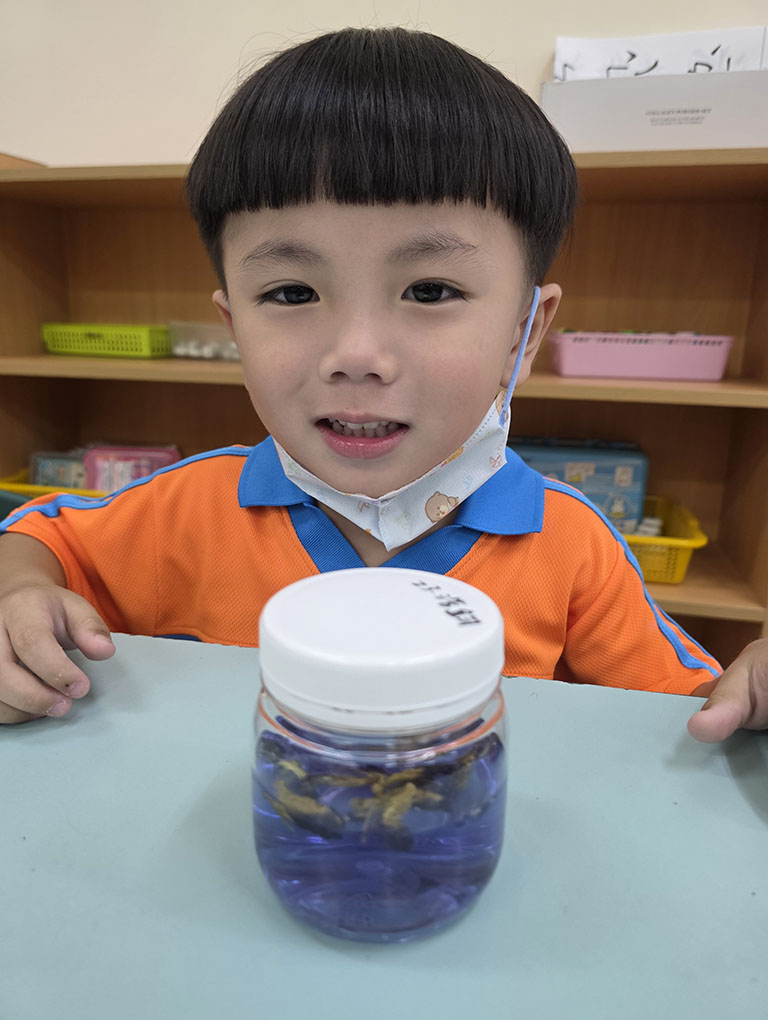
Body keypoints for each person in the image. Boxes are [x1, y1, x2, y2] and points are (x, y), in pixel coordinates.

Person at [0, 27, 762, 741]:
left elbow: (699, 713)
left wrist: (750, 691)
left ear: (526, 332)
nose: (356, 355)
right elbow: (39, 539)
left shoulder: (570, 545)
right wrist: (17, 601)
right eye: (292, 293)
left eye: (430, 290)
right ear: (235, 329)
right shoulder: (180, 513)